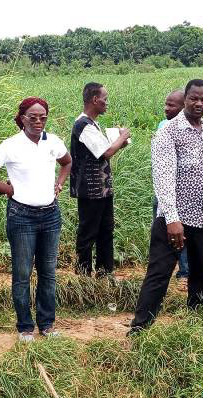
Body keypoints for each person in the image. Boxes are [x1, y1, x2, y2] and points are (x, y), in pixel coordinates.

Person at [129, 79, 203, 335]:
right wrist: (172, 218)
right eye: (194, 98)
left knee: (201, 274)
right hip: (175, 218)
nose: (199, 103)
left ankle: (195, 326)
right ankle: (140, 329)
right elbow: (162, 176)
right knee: (159, 273)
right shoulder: (169, 132)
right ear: (185, 99)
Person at [0, 97, 72, 342]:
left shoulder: (53, 141)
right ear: (22, 119)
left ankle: (47, 325)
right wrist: (8, 190)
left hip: (50, 214)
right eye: (33, 117)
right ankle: (25, 327)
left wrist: (59, 183)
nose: (38, 121)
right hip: (22, 216)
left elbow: (67, 162)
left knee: (48, 272)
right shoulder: (11, 145)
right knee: (22, 273)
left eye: (43, 117)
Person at [70, 82, 131, 276]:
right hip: (90, 190)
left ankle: (104, 273)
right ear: (95, 100)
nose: (107, 103)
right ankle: (84, 275)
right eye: (105, 99)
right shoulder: (83, 125)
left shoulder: (91, 124)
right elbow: (106, 152)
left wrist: (119, 143)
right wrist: (123, 137)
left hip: (102, 190)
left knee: (106, 231)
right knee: (88, 233)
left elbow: (102, 151)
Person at [153, 89, 189, 289]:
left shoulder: (192, 130)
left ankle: (184, 273)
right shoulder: (163, 126)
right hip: (161, 192)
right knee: (160, 235)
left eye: (171, 105)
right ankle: (162, 274)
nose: (166, 109)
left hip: (180, 195)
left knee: (181, 236)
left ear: (184, 107)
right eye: (166, 104)